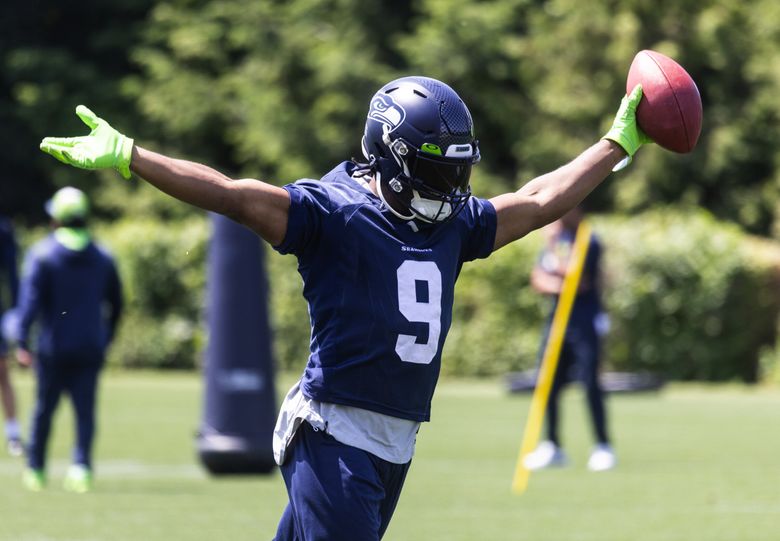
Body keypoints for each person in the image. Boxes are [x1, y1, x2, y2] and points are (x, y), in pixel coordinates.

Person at [39, 76, 650, 538]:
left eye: (459, 172)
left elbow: (539, 199)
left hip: (396, 441)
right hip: (333, 432)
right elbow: (230, 194)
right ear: (393, 157)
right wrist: (132, 157)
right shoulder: (332, 214)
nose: (454, 191)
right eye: (439, 174)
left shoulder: (451, 223)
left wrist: (615, 142)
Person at [14, 187, 123, 493]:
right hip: (90, 347)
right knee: (85, 413)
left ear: (56, 219)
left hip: (51, 349)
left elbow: (29, 304)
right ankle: (81, 469)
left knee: (43, 411)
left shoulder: (42, 254)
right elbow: (117, 303)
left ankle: (35, 469)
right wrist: (108, 336)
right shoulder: (102, 257)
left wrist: (22, 342)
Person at [522, 206, 616, 472]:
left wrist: (552, 251)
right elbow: (538, 279)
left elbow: (577, 278)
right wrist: (557, 281)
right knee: (547, 382)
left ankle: (603, 446)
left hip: (584, 322)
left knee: (589, 383)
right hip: (556, 322)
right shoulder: (559, 240)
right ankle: (552, 445)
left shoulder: (589, 240)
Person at [0, 214, 23, 456]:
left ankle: (13, 434)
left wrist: (16, 311)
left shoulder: (3, 229)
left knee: (2, 371)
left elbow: (12, 273)